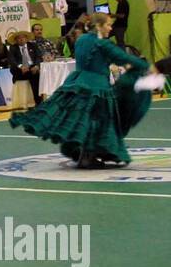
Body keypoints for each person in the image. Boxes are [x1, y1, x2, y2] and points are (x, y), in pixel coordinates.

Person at [9, 13, 156, 169]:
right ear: (98, 26)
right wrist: (147, 66)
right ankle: (88, 156)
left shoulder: (81, 40)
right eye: (108, 24)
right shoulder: (103, 44)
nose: (111, 28)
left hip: (77, 82)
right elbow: (123, 58)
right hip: (97, 86)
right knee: (97, 122)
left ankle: (84, 152)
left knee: (83, 121)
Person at [8, 30, 42, 99]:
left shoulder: (33, 45)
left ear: (26, 38)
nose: (21, 39)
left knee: (37, 74)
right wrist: (21, 66)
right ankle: (36, 100)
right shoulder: (13, 48)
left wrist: (37, 66)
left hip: (32, 66)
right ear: (16, 40)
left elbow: (39, 57)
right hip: (20, 69)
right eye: (19, 38)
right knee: (33, 75)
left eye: (23, 37)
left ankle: (38, 99)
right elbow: (12, 60)